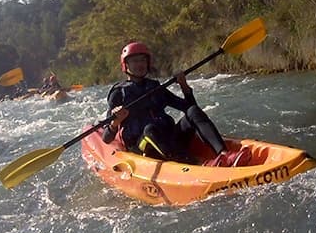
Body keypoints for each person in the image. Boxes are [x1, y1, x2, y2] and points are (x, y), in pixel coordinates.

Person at [102, 42, 251, 166]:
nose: (140, 64)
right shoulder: (118, 93)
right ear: (125, 65)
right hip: (142, 146)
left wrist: (184, 86)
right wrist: (116, 122)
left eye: (142, 60)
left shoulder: (155, 87)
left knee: (192, 111)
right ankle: (195, 164)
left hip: (169, 138)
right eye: (134, 61)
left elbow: (191, 109)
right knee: (150, 129)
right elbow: (106, 138)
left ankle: (224, 155)